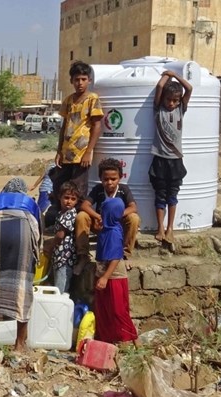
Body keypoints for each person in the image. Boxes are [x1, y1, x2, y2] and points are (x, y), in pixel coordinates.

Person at [0, 178, 42, 351]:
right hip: (24, 229)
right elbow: (38, 237)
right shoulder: (30, 204)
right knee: (22, 286)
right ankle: (19, 344)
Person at [75, 158, 140, 274]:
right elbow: (84, 205)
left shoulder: (123, 190)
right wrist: (97, 216)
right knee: (81, 216)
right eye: (106, 179)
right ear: (100, 179)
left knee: (134, 218)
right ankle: (83, 256)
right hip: (100, 225)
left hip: (116, 227)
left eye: (113, 179)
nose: (109, 182)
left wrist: (117, 215)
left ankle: (125, 255)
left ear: (120, 178)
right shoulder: (98, 189)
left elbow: (133, 207)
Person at [150, 70, 193, 245]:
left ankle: (170, 228)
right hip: (159, 159)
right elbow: (160, 86)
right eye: (169, 99)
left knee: (172, 196)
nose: (172, 103)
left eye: (175, 100)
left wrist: (175, 75)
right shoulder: (158, 109)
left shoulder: (180, 110)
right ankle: (160, 228)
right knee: (160, 195)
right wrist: (167, 75)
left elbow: (189, 88)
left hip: (176, 161)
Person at [52, 61, 104, 200]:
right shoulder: (68, 100)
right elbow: (64, 127)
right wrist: (59, 152)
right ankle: (60, 218)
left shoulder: (92, 99)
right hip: (66, 153)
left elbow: (97, 126)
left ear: (89, 80)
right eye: (76, 80)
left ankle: (77, 220)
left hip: (81, 154)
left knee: (78, 190)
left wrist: (88, 152)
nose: (80, 83)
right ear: (71, 81)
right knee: (59, 188)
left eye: (83, 79)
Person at [93, 198, 139, 345]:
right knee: (104, 310)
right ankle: (108, 339)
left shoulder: (113, 233)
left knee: (118, 311)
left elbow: (115, 257)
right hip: (104, 273)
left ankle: (132, 341)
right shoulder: (110, 228)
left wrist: (105, 277)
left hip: (113, 277)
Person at [49, 182, 80, 294]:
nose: (69, 201)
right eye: (66, 197)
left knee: (60, 290)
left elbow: (60, 235)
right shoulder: (60, 213)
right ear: (59, 197)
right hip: (59, 257)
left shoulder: (70, 214)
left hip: (65, 258)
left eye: (73, 199)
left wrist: (50, 247)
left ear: (76, 201)